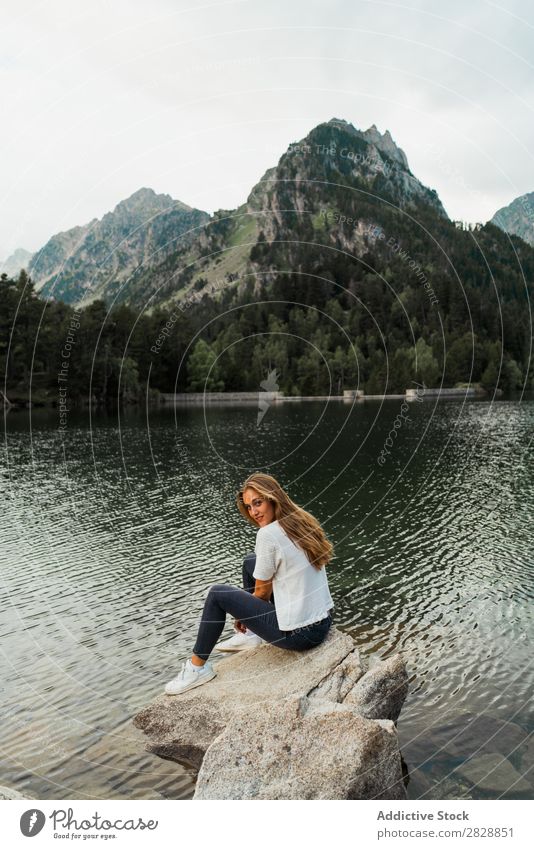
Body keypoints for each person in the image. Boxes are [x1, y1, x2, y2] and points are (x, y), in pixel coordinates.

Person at [164, 472, 335, 695]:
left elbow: (262, 592)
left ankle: (197, 668)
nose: (253, 512)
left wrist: (244, 617)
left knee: (218, 594)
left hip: (301, 635)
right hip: (323, 620)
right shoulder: (301, 520)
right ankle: (252, 637)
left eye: (258, 503)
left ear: (273, 498)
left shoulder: (268, 534)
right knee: (250, 562)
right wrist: (250, 616)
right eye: (249, 506)